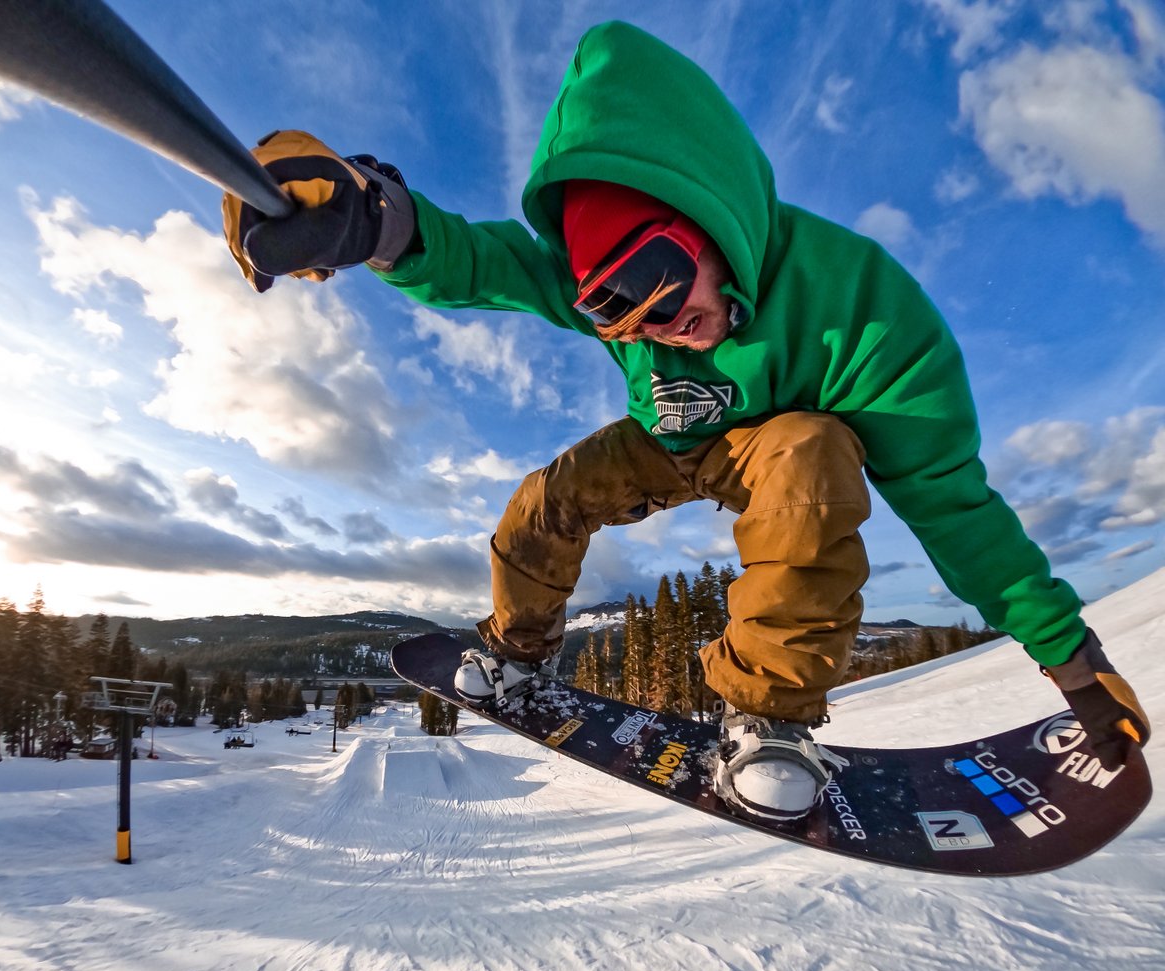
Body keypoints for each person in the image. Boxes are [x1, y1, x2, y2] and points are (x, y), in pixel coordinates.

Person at [224, 21, 1149, 822]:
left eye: (655, 285)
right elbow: (475, 260)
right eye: (609, 312)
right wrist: (372, 216)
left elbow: (956, 509)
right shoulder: (625, 306)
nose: (652, 329)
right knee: (544, 501)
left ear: (710, 216)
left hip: (769, 453)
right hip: (666, 445)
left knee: (811, 452)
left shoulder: (867, 313)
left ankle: (768, 717)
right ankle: (516, 654)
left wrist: (1069, 659)